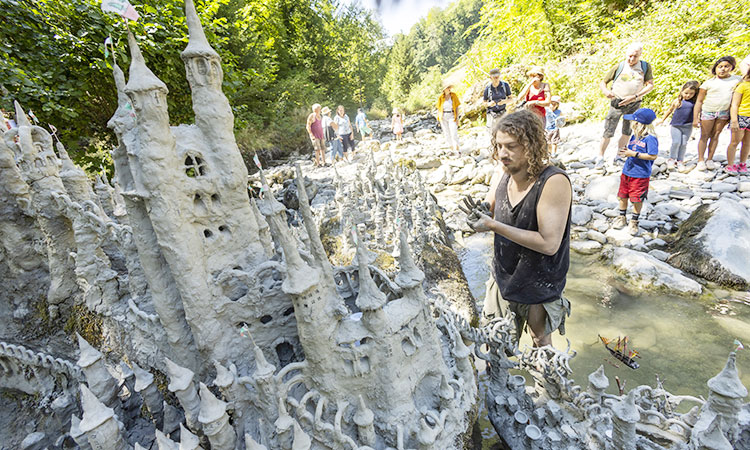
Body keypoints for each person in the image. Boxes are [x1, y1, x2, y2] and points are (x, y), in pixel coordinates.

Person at [464, 109, 572, 348]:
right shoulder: (501, 174)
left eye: (511, 146)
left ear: (531, 145)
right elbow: (492, 211)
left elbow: (549, 243)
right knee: (494, 342)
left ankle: (546, 386)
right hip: (504, 276)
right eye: (499, 146)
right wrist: (479, 216)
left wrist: (492, 225)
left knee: (540, 343)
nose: (503, 154)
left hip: (540, 282)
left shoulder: (553, 182)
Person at [597, 43, 655, 167]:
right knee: (608, 130)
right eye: (630, 56)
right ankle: (600, 157)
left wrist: (635, 96)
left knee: (627, 131)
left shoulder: (645, 67)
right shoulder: (619, 66)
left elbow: (650, 85)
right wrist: (606, 92)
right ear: (626, 54)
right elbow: (603, 82)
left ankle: (619, 155)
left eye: (635, 56)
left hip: (634, 104)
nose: (632, 59)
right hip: (617, 103)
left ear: (640, 55)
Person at [613, 108, 658, 235]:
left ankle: (634, 221)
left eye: (633, 121)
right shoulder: (634, 136)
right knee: (622, 195)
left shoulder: (650, 139)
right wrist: (626, 152)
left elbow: (653, 156)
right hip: (627, 171)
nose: (631, 123)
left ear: (639, 123)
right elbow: (631, 151)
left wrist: (634, 154)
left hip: (640, 174)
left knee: (637, 198)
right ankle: (621, 217)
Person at [693, 56, 741, 171]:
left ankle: (709, 159)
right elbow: (699, 101)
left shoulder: (737, 80)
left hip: (724, 112)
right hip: (709, 111)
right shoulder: (708, 83)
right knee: (704, 135)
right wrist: (695, 117)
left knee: (716, 135)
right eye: (720, 67)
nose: (723, 69)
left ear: (731, 68)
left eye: (726, 66)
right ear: (715, 68)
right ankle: (700, 160)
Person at [656, 81, 699, 171]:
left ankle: (680, 160)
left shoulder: (695, 103)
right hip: (676, 125)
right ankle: (671, 158)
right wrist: (662, 120)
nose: (688, 95)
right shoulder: (678, 101)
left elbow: (698, 113)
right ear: (682, 92)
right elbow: (670, 110)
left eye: (691, 94)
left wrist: (698, 121)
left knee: (683, 143)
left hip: (688, 126)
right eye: (686, 93)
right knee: (676, 142)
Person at [726, 68, 750, 174]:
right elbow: (734, 104)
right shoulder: (743, 86)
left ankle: (742, 163)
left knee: (747, 143)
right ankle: (730, 165)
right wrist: (734, 120)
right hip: (741, 116)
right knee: (735, 142)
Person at [437, 83, 460, 152]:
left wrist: (457, 118)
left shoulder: (454, 95)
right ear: (444, 90)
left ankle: (457, 148)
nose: (449, 89)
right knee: (446, 133)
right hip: (443, 116)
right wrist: (438, 118)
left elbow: (457, 107)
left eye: (449, 88)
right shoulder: (441, 97)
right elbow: (439, 108)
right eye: (447, 88)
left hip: (452, 115)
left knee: (454, 132)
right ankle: (451, 148)